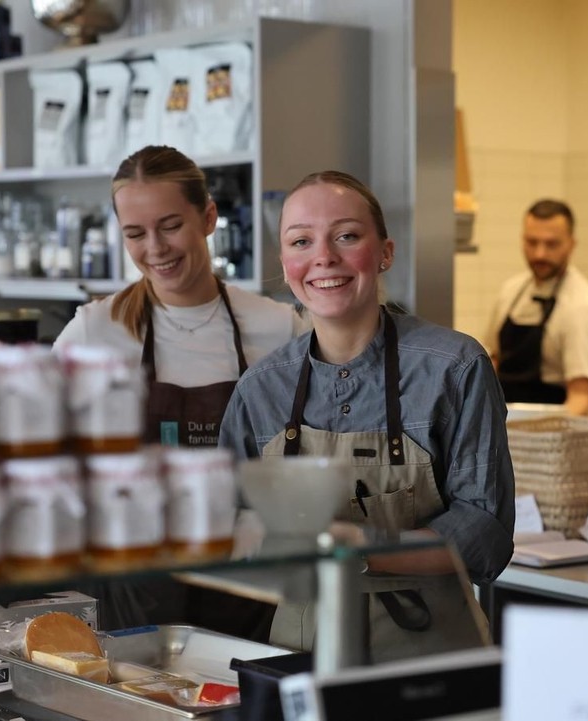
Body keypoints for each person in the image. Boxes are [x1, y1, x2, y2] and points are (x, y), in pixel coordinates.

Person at [220, 170, 515, 662]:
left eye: (347, 236)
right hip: (301, 654)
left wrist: (359, 546)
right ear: (285, 264)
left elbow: (484, 533)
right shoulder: (262, 388)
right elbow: (227, 521)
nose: (323, 257)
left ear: (385, 252)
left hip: (432, 659)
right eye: (301, 241)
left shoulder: (454, 367)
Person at [54, 144, 306, 637]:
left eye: (170, 225)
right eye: (135, 233)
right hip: (134, 588)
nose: (155, 247)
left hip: (250, 585)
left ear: (208, 217)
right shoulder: (94, 331)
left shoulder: (278, 328)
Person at [483, 199, 588, 415]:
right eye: (532, 242)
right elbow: (494, 361)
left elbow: (580, 399)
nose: (540, 254)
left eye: (551, 244)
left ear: (571, 244)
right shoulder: (510, 292)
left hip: (551, 436)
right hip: (502, 429)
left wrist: (543, 441)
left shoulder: (583, 307)